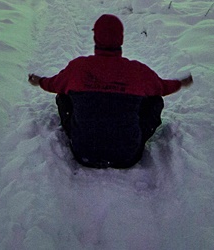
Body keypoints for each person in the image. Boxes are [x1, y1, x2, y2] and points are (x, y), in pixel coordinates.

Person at [28, 14, 193, 169]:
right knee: (154, 100)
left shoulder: (78, 68)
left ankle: (82, 130)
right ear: (121, 38)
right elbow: (162, 88)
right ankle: (129, 134)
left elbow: (53, 84)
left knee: (63, 94)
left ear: (95, 38)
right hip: (128, 156)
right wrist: (181, 83)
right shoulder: (137, 71)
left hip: (83, 152)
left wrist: (40, 80)